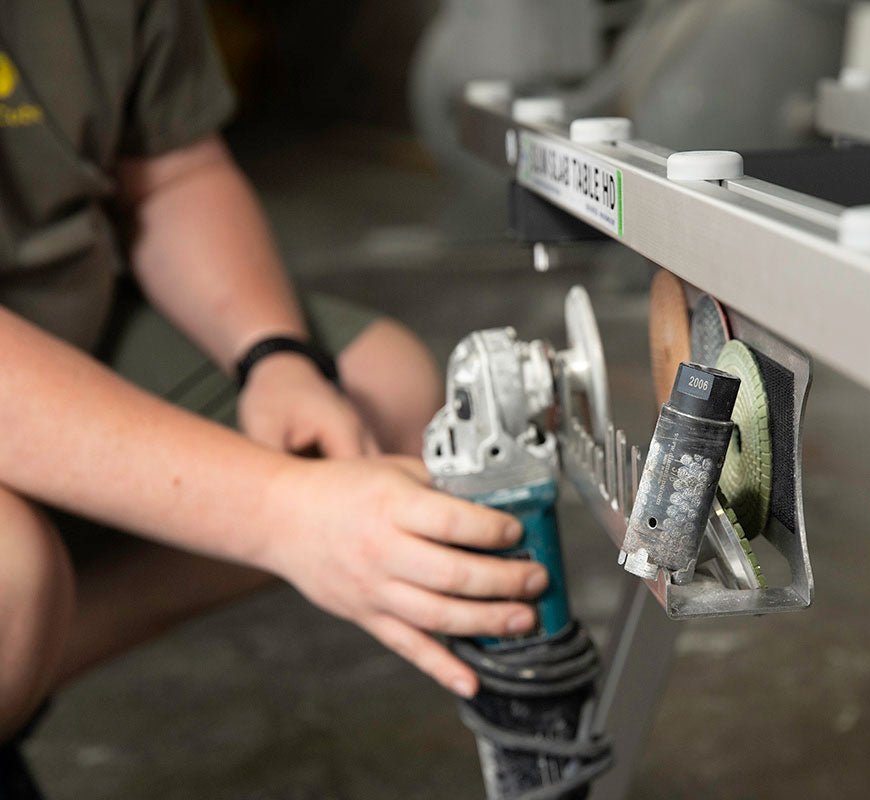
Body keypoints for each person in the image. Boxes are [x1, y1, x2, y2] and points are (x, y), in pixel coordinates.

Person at [0, 0, 545, 788]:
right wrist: (280, 511)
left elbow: (174, 169)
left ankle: (21, 670)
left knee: (379, 393)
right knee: (11, 573)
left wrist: (275, 355)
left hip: (54, 313)